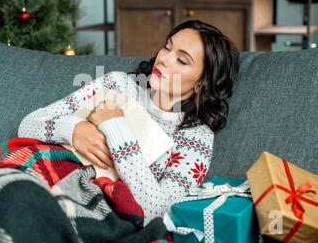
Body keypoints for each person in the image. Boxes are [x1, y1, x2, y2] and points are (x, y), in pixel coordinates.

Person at [18, 20, 239, 225]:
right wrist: (74, 129)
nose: (163, 58)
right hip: (42, 175)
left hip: (97, 214)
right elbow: (28, 125)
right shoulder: (118, 85)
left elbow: (159, 212)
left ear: (201, 82)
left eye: (181, 60)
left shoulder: (195, 137)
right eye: (167, 47)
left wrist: (115, 126)